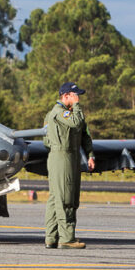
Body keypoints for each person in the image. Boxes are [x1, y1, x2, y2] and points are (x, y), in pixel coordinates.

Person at [44, 81, 95, 249]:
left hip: (70, 156)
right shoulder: (59, 113)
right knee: (65, 198)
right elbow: (76, 123)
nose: (78, 99)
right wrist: (77, 106)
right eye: (75, 96)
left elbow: (85, 134)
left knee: (55, 198)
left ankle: (51, 237)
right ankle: (67, 238)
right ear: (66, 96)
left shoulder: (70, 113)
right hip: (61, 156)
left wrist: (90, 154)